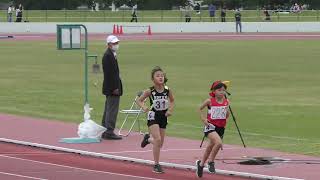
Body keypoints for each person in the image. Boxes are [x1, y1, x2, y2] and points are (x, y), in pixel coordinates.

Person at [136, 66, 175, 173]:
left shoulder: (167, 90)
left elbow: (172, 101)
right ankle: (156, 165)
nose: (160, 77)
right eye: (158, 76)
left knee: (160, 143)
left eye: (162, 75)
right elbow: (139, 100)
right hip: (153, 116)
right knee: (157, 140)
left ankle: (147, 139)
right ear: (153, 79)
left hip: (163, 116)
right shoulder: (150, 91)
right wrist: (143, 107)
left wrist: (170, 110)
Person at [196, 80, 230, 178]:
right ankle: (211, 162)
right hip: (210, 126)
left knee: (210, 147)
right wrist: (203, 119)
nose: (222, 92)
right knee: (218, 143)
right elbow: (199, 109)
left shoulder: (226, 101)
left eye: (223, 90)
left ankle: (201, 165)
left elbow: (226, 115)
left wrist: (226, 109)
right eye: (219, 90)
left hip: (221, 128)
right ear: (214, 91)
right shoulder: (209, 101)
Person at [101, 35, 123, 140]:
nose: (116, 45)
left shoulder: (111, 54)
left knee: (108, 108)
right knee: (112, 109)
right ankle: (109, 131)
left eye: (117, 43)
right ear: (109, 44)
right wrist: (115, 87)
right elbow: (109, 74)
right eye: (114, 43)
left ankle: (105, 129)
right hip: (112, 87)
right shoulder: (108, 56)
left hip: (111, 87)